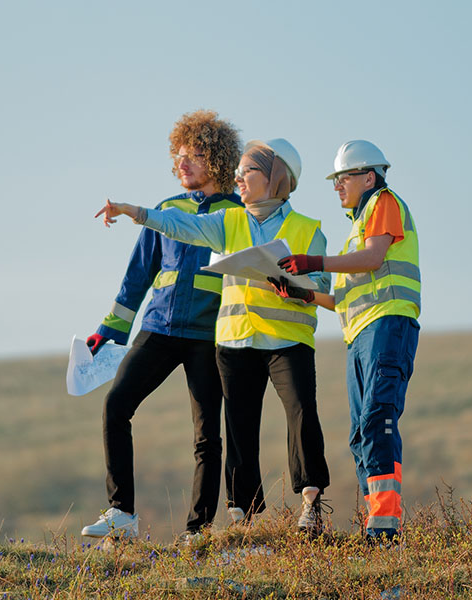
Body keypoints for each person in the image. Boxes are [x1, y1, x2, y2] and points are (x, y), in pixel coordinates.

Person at [95, 138, 332, 533]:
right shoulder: (227, 222)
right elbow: (174, 231)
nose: (239, 177)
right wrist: (133, 211)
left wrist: (302, 289)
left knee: (295, 416)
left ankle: (301, 506)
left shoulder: (304, 228)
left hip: (279, 340)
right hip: (232, 339)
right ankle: (239, 517)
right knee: (238, 429)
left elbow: (325, 286)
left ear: (275, 178)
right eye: (237, 171)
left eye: (248, 171)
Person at [78, 110, 242, 545]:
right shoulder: (165, 211)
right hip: (159, 328)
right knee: (116, 406)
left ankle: (199, 532)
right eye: (179, 155)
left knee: (208, 435)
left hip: (210, 337)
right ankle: (121, 513)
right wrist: (108, 331)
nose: (183, 163)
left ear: (220, 160)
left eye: (196, 155)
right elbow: (137, 279)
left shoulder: (239, 215)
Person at [276, 140, 420, 542]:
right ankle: (377, 523)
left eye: (343, 177)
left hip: (387, 326)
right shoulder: (356, 230)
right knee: (361, 432)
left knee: (377, 420)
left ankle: (385, 528)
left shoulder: (384, 203)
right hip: (361, 335)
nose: (337, 186)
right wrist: (302, 292)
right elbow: (342, 298)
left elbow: (374, 258)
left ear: (368, 176)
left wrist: (314, 263)